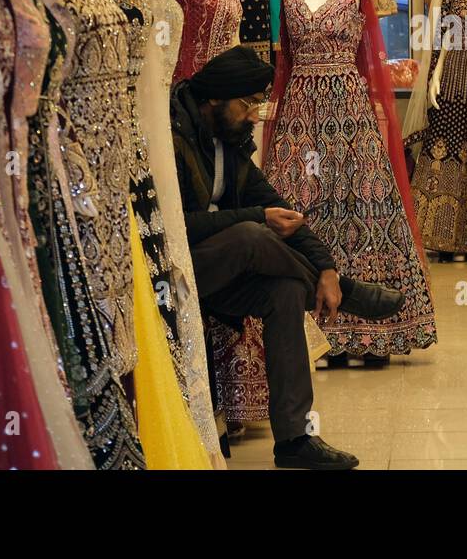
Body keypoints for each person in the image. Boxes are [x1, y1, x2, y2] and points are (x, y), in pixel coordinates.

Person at [171, 45, 404, 470]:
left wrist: (328, 269)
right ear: (215, 99)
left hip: (223, 268)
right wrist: (254, 216)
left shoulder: (230, 144)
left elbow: (285, 216)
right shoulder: (175, 136)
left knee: (283, 290)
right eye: (248, 104)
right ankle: (350, 294)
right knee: (249, 234)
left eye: (259, 104)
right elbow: (175, 227)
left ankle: (295, 439)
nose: (252, 115)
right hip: (177, 270)